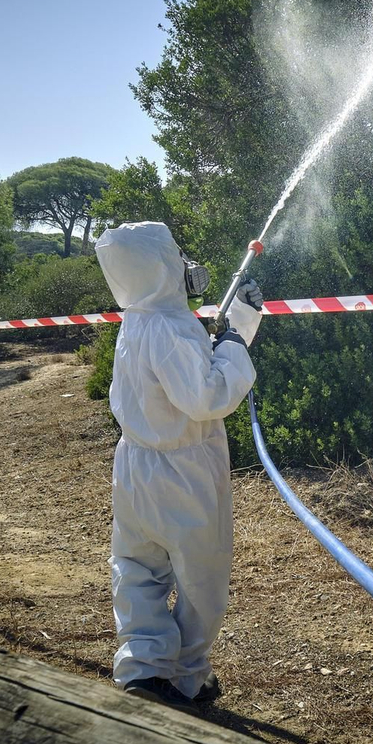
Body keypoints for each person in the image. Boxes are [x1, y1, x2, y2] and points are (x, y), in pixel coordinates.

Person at [93, 221, 264, 709]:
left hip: (135, 468)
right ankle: (188, 678)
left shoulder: (138, 321)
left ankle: (144, 670)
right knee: (200, 577)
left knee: (137, 565)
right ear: (160, 263)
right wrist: (235, 338)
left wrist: (229, 332)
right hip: (183, 470)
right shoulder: (171, 325)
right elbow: (205, 395)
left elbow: (174, 379)